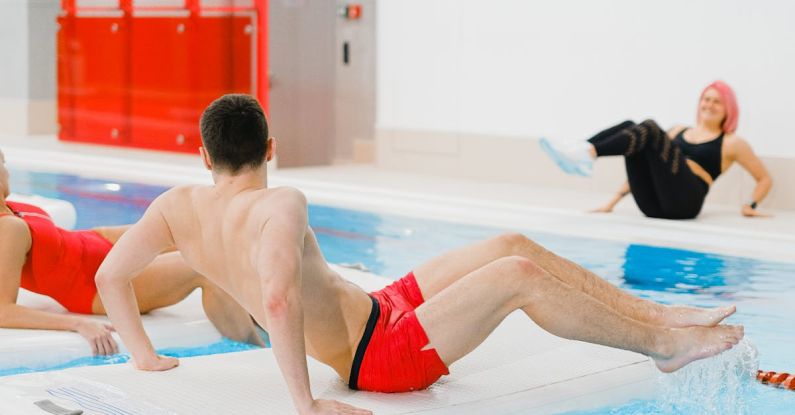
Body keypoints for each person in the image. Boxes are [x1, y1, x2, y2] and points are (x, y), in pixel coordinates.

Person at [96, 94, 743, 415]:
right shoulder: (279, 201)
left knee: (509, 244)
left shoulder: (175, 206)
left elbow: (111, 275)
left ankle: (662, 318)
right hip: (376, 356)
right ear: (270, 147)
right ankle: (660, 347)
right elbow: (275, 296)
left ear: (204, 156)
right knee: (516, 276)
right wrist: (306, 404)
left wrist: (144, 356)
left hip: (381, 309)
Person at [0, 149, 263, 356]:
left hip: (97, 242)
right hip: (94, 284)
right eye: (3, 163)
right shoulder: (7, 229)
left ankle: (261, 314)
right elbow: (3, 311)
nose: (7, 170)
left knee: (194, 231)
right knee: (204, 268)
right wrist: (78, 324)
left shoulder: (14, 207)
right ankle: (259, 350)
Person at [540, 80, 773, 219]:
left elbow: (764, 178)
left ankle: (585, 153)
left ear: (728, 109)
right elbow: (644, 163)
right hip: (652, 204)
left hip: (685, 204)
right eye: (706, 99)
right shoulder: (677, 130)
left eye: (716, 101)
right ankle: (583, 149)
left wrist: (749, 205)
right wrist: (612, 203)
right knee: (633, 127)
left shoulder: (732, 142)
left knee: (648, 127)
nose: (709, 105)